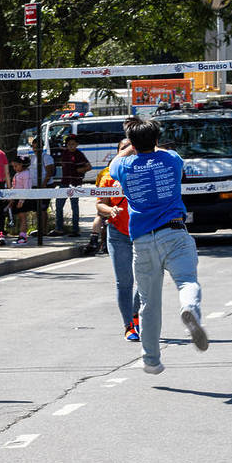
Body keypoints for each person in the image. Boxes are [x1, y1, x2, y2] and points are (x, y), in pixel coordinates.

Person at [109, 117, 208, 375]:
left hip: (142, 240)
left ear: (131, 142)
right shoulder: (172, 159)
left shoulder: (124, 166)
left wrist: (131, 145)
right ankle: (190, 309)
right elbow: (164, 152)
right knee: (187, 281)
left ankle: (151, 360)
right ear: (156, 139)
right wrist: (150, 143)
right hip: (174, 232)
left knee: (148, 303)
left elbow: (115, 161)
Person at [96, 138, 140, 342]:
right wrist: (109, 210)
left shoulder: (144, 170)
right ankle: (128, 325)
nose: (129, 151)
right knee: (124, 282)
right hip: (117, 233)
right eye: (124, 148)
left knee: (144, 280)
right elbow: (100, 205)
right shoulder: (108, 177)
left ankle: (136, 315)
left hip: (142, 232)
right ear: (118, 152)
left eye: (133, 147)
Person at [50, 134, 90, 237]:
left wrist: (79, 170)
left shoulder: (79, 154)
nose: (71, 146)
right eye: (69, 144)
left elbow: (88, 166)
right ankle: (59, 229)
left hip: (75, 183)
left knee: (74, 207)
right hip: (64, 182)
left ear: (77, 144)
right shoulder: (64, 153)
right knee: (59, 205)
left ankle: (75, 230)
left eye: (73, 144)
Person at [28, 137, 55, 235]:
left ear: (42, 147)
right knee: (37, 209)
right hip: (34, 186)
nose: (35, 149)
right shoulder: (32, 158)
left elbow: (50, 172)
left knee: (43, 208)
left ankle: (44, 230)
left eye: (37, 147)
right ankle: (39, 229)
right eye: (33, 147)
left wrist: (43, 184)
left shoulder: (46, 157)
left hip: (45, 186)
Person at [8, 155, 32, 244]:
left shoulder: (26, 174)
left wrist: (22, 200)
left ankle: (23, 236)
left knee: (23, 218)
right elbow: (15, 186)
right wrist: (12, 198)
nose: (15, 168)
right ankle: (21, 235)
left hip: (23, 198)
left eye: (16, 166)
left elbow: (26, 188)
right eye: (13, 166)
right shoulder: (18, 174)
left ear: (22, 165)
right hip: (17, 197)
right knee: (20, 217)